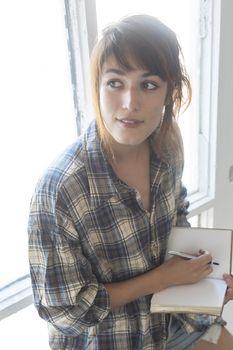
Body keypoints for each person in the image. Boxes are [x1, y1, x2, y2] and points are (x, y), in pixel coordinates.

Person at [28, 14, 233, 349]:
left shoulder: (167, 145)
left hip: (171, 320)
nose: (130, 104)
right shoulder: (62, 189)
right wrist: (161, 279)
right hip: (109, 339)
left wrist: (206, 282)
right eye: (115, 83)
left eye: (149, 85)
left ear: (171, 91)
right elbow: (65, 312)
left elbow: (177, 215)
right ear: (96, 85)